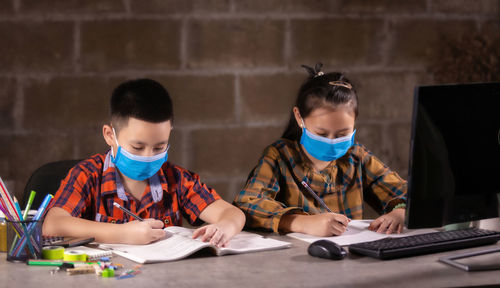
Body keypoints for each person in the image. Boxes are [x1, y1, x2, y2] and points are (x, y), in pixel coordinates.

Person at [43, 79, 245, 246]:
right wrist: (121, 234)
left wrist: (224, 227)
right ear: (110, 135)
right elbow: (53, 225)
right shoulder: (88, 175)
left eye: (159, 147)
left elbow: (232, 213)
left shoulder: (177, 179)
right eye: (137, 148)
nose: (149, 156)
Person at [233, 63, 407, 237]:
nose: (332, 141)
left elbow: (407, 192)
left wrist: (400, 212)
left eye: (342, 133)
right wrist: (301, 222)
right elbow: (247, 204)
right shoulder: (279, 157)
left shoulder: (356, 156)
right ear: (299, 117)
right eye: (321, 133)